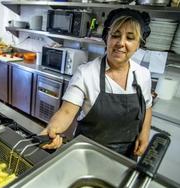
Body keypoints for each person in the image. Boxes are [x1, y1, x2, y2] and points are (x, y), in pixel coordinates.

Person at [41, 8, 153, 160]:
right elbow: (66, 112)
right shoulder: (86, 73)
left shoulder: (143, 75)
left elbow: (147, 106)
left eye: (130, 38)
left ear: (139, 44)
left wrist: (145, 134)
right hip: (86, 154)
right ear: (106, 38)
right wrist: (52, 129)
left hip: (127, 156)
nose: (121, 43)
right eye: (115, 35)